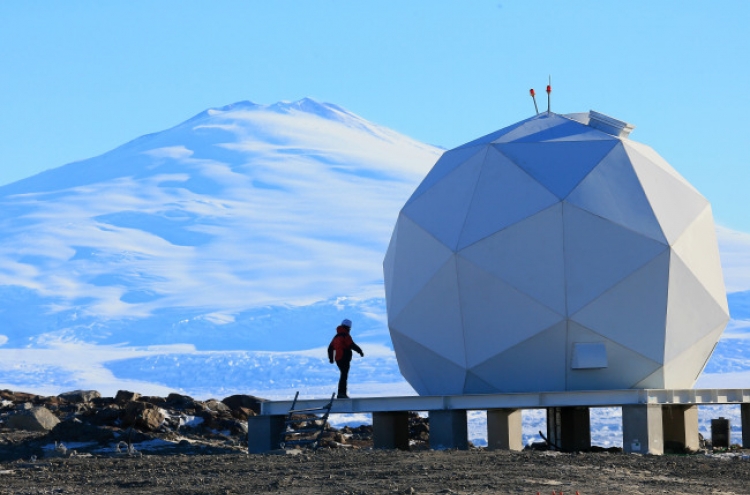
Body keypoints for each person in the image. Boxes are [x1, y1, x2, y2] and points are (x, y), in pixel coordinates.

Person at [327, 318, 364, 399]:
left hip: (338, 359)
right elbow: (351, 344)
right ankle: (341, 393)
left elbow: (330, 348)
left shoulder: (336, 337)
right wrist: (360, 351)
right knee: (344, 376)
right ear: (348, 327)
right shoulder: (345, 335)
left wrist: (331, 359)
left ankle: (341, 393)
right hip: (344, 358)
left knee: (343, 375)